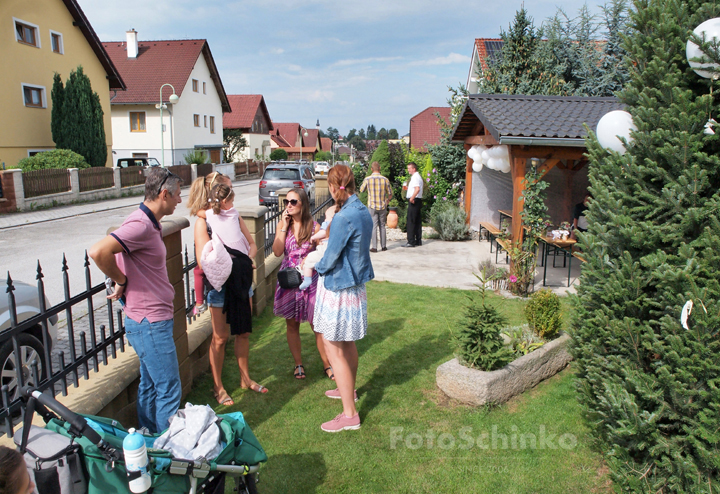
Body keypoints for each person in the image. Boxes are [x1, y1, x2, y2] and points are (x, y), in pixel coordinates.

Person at [89, 167, 183, 434]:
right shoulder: (141, 224)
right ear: (164, 193)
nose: (179, 200)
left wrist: (123, 279)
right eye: (177, 195)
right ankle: (167, 450)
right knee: (167, 387)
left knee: (151, 385)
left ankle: (149, 441)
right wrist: (121, 280)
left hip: (147, 321)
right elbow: (98, 252)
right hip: (149, 322)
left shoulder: (145, 221)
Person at [190, 175, 266, 405]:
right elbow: (203, 261)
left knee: (243, 332)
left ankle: (245, 379)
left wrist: (247, 259)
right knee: (221, 338)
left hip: (242, 282)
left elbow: (251, 244)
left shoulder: (233, 216)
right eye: (226, 189)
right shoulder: (203, 223)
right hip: (220, 287)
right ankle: (218, 387)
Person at [314, 165, 374, 432]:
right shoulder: (362, 210)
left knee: (333, 346)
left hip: (339, 287)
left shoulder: (342, 217)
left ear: (333, 187)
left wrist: (314, 266)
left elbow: (331, 257)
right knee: (346, 342)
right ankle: (347, 390)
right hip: (354, 287)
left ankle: (349, 415)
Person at [272, 188, 333, 380]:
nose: (289, 205)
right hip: (289, 279)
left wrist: (310, 257)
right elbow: (276, 251)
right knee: (292, 325)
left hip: (310, 279)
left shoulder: (314, 227)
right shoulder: (284, 225)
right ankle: (298, 364)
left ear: (303, 204)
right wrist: (283, 226)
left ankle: (327, 364)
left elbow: (323, 250)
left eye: (293, 202)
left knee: (317, 325)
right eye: (286, 202)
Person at [299, 206, 336, 291]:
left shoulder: (329, 223)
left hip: (325, 248)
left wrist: (313, 237)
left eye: (326, 217)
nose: (325, 220)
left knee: (309, 259)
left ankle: (307, 279)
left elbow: (323, 232)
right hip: (330, 248)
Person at [359, 161, 392, 252]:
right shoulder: (385, 179)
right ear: (380, 168)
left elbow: (361, 190)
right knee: (382, 225)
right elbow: (390, 193)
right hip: (382, 205)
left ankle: (374, 247)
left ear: (371, 169)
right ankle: (384, 246)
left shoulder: (368, 179)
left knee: (373, 226)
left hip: (372, 205)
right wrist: (387, 201)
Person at [402, 162, 423, 248]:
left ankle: (411, 241)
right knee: (417, 221)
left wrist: (412, 197)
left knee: (411, 221)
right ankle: (418, 240)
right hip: (418, 200)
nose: (408, 170)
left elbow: (417, 189)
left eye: (409, 168)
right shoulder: (418, 177)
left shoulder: (415, 177)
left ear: (414, 169)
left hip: (414, 200)